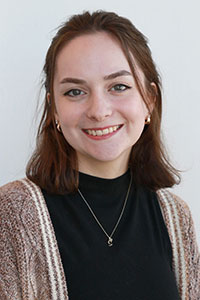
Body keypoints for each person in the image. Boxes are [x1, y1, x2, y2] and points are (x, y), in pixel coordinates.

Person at [0, 10, 199, 300]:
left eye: (119, 86)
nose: (99, 110)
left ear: (150, 100)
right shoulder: (12, 214)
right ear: (54, 108)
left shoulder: (176, 217)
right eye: (75, 92)